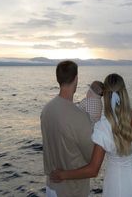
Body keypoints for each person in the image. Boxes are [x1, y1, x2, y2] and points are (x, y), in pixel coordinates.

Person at [50, 73, 132, 197]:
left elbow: (93, 170)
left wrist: (61, 175)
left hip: (116, 186)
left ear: (105, 96)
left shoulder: (104, 126)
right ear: (124, 93)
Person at [40, 60, 94, 197]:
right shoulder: (80, 117)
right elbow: (92, 160)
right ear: (76, 78)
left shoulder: (47, 110)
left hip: (51, 188)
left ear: (58, 79)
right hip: (72, 191)